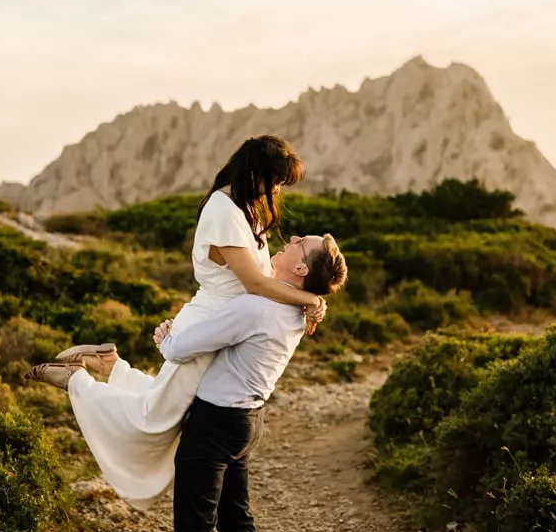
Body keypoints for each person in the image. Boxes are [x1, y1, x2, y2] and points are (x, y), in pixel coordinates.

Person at [23, 136, 328, 509]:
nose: (277, 190)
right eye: (276, 180)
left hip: (222, 328)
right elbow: (254, 282)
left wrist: (308, 299)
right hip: (209, 326)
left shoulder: (245, 211)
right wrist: (310, 298)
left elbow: (259, 283)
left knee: (162, 403)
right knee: (153, 420)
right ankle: (75, 380)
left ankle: (110, 364)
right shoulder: (224, 211)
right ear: (256, 173)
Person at [144, 231, 347, 532]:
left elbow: (179, 347)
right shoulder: (296, 308)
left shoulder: (259, 306)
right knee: (237, 522)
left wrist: (165, 337)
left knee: (194, 531)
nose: (291, 237)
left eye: (301, 242)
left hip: (215, 425)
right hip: (247, 422)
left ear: (299, 269)